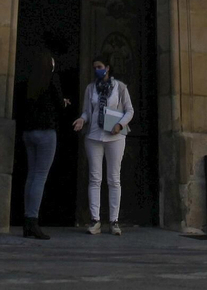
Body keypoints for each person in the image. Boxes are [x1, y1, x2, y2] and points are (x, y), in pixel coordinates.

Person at [16, 33, 70, 239]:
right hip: (46, 131)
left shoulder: (30, 82)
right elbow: (58, 104)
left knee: (31, 176)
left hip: (29, 131)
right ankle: (32, 220)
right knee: (40, 176)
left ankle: (26, 221)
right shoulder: (52, 78)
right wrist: (64, 102)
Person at [72, 55, 133, 235]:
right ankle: (95, 219)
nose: (96, 70)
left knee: (114, 178)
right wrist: (82, 120)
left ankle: (114, 221)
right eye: (94, 67)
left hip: (115, 137)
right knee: (95, 178)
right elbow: (87, 111)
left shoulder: (120, 87)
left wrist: (120, 124)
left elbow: (129, 110)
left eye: (99, 66)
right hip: (94, 136)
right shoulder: (91, 89)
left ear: (107, 67)